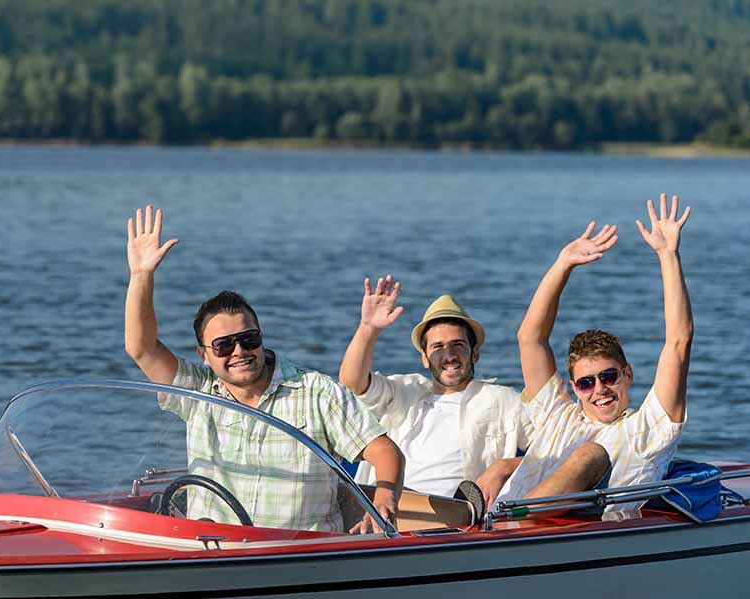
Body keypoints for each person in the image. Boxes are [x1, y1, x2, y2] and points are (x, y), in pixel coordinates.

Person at [124, 205, 404, 534]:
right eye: (224, 345)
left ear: (261, 338)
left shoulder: (316, 391)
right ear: (204, 355)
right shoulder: (197, 391)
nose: (239, 351)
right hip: (214, 551)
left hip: (303, 554)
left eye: (248, 339)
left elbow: (384, 450)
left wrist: (385, 496)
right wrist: (142, 276)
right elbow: (141, 348)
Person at [496, 194, 692, 508]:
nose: (599, 389)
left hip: (546, 534)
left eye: (608, 376)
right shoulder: (557, 416)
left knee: (591, 453)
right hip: (488, 531)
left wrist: (668, 255)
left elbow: (678, 343)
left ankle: (513, 520)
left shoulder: (646, 429)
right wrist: (563, 264)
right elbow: (530, 339)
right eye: (586, 382)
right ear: (575, 389)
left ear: (627, 375)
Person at [339, 276, 533, 507]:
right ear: (424, 358)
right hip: (389, 507)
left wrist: (503, 468)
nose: (449, 355)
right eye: (438, 347)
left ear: (475, 353)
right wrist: (368, 328)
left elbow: (554, 448)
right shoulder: (403, 391)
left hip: (457, 515)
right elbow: (351, 384)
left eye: (458, 345)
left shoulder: (503, 400)